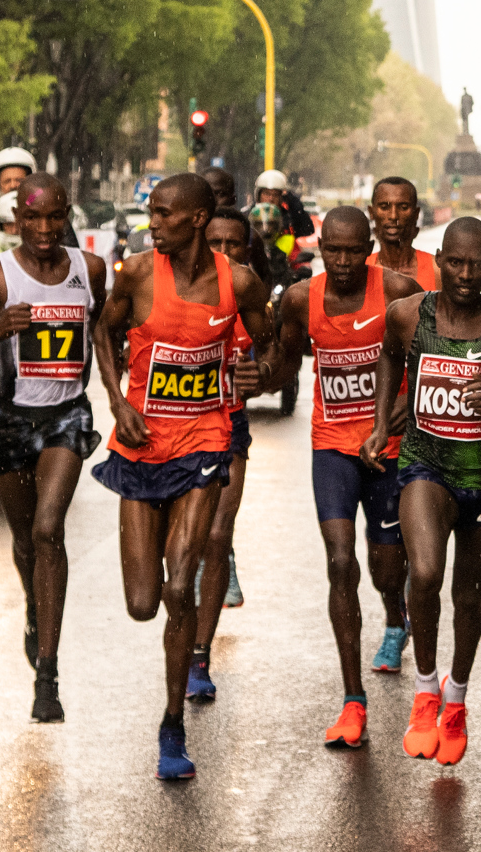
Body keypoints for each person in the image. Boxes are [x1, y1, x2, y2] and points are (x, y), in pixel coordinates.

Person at [89, 172, 277, 780]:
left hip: (204, 442)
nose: (154, 223)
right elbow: (102, 329)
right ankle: (178, 677)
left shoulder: (239, 283)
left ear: (197, 218)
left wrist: (258, 374)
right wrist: (116, 400)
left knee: (179, 588)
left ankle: (173, 725)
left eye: (165, 213)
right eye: (152, 212)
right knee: (143, 603)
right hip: (142, 446)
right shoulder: (138, 274)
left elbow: (272, 346)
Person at [366, 217, 481, 765]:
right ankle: (425, 690)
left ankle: (457, 695)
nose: (466, 275)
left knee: (468, 596)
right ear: (440, 259)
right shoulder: (407, 314)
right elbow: (388, 357)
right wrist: (381, 424)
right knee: (424, 574)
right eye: (456, 263)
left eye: (476, 265)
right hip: (426, 465)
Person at [0, 175, 106, 723]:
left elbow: (102, 330)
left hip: (67, 416)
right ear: (15, 219)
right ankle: (35, 605)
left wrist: (117, 390)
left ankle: (47, 675)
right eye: (32, 218)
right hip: (12, 418)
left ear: (67, 216)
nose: (43, 229)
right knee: (23, 542)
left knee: (47, 530)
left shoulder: (90, 270)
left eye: (54, 217)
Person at [272, 207, 424, 747]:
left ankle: (395, 615)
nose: (341, 261)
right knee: (340, 563)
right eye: (332, 250)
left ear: (369, 249)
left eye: (352, 251)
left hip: (389, 450)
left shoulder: (399, 292)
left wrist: (406, 404)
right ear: (319, 248)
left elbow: (433, 355)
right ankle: (352, 700)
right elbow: (285, 362)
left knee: (386, 568)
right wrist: (255, 377)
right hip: (332, 447)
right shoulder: (300, 299)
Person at [185, 206, 263, 702]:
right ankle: (179, 633)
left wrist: (263, 372)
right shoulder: (172, 288)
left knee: (216, 537)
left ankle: (199, 654)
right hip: (175, 430)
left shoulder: (250, 294)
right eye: (216, 242)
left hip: (229, 426)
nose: (225, 252)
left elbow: (275, 352)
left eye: (234, 244)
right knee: (181, 549)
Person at [0, 147, 77, 283]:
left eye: (19, 180)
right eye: (7, 181)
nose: (13, 185)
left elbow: (71, 252)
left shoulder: (47, 209)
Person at [368, 175, 438, 288]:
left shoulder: (438, 271)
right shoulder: (360, 269)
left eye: (403, 207)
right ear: (371, 212)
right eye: (384, 207)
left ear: (416, 214)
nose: (393, 216)